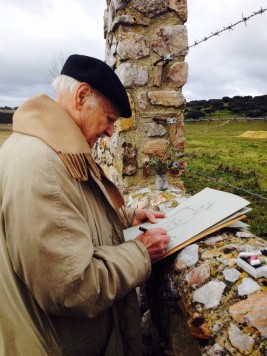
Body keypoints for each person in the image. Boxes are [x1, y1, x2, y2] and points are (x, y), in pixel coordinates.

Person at [0, 54, 170, 355]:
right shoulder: (44, 165)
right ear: (81, 96)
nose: (110, 132)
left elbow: (67, 221)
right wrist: (140, 252)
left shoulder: (53, 148)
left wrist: (123, 219)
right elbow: (72, 287)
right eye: (109, 119)